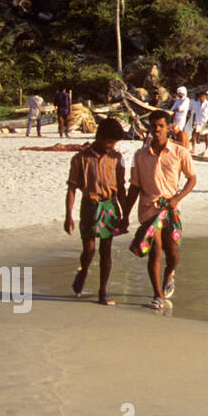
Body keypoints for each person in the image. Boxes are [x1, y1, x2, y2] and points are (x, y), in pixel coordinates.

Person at [124, 109, 197, 309]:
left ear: (168, 128)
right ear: (148, 128)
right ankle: (157, 296)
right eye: (153, 126)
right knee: (155, 250)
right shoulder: (140, 155)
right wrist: (125, 214)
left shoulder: (180, 152)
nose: (156, 129)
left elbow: (192, 179)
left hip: (172, 208)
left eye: (160, 126)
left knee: (172, 251)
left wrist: (177, 198)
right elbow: (135, 186)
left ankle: (170, 272)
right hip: (149, 208)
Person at [64, 118, 130, 306]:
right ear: (99, 137)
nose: (112, 146)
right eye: (109, 142)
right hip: (89, 206)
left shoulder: (117, 159)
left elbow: (121, 189)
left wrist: (125, 215)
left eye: (115, 143)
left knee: (106, 250)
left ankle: (103, 291)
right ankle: (83, 271)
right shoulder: (80, 158)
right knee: (89, 249)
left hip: (109, 206)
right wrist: (68, 215)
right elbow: (71, 188)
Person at [192, 89, 208, 154]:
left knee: (206, 135)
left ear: (205, 97)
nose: (201, 98)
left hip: (204, 121)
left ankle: (207, 148)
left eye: (203, 97)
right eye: (200, 97)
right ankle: (193, 148)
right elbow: (194, 113)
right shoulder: (197, 104)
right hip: (197, 121)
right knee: (194, 134)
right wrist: (193, 121)